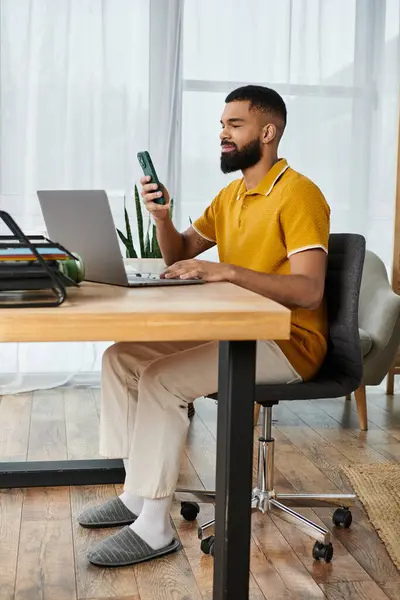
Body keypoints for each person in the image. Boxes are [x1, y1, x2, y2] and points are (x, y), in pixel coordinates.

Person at [79, 85, 330, 567]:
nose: (223, 134)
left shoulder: (299, 194)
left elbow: (309, 291)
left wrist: (228, 270)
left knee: (162, 379)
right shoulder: (232, 194)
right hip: (241, 330)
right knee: (122, 357)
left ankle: (154, 528)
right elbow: (179, 254)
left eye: (235, 125)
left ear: (269, 131)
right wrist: (161, 217)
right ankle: (137, 495)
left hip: (288, 341)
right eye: (222, 125)